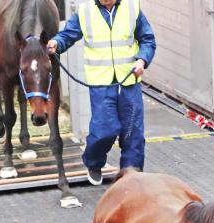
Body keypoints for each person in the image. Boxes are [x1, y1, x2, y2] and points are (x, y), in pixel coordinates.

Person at [48, 0, 156, 185]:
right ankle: (94, 162)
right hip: (101, 83)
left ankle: (131, 173)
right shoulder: (86, 11)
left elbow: (147, 39)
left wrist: (142, 60)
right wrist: (56, 43)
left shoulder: (132, 8)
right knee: (104, 129)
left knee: (133, 131)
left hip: (129, 81)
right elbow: (68, 34)